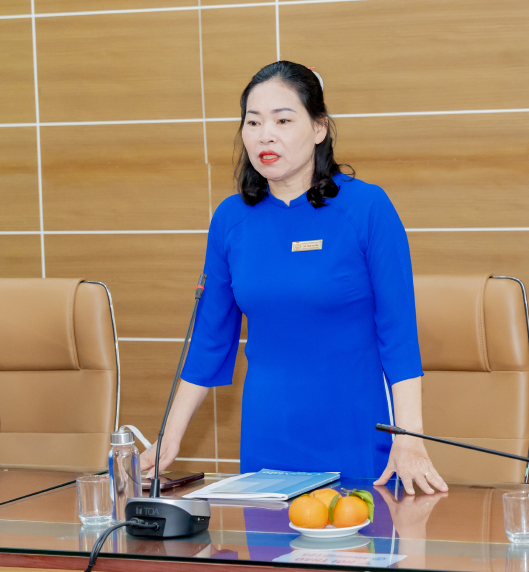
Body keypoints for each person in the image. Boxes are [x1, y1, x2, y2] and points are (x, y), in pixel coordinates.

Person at [140, 61, 447, 495]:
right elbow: (210, 340)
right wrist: (168, 439)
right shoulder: (230, 219)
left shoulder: (367, 208)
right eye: (253, 122)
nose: (265, 135)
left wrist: (410, 438)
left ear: (319, 128)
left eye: (283, 120)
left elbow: (398, 335)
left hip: (357, 431)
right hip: (268, 435)